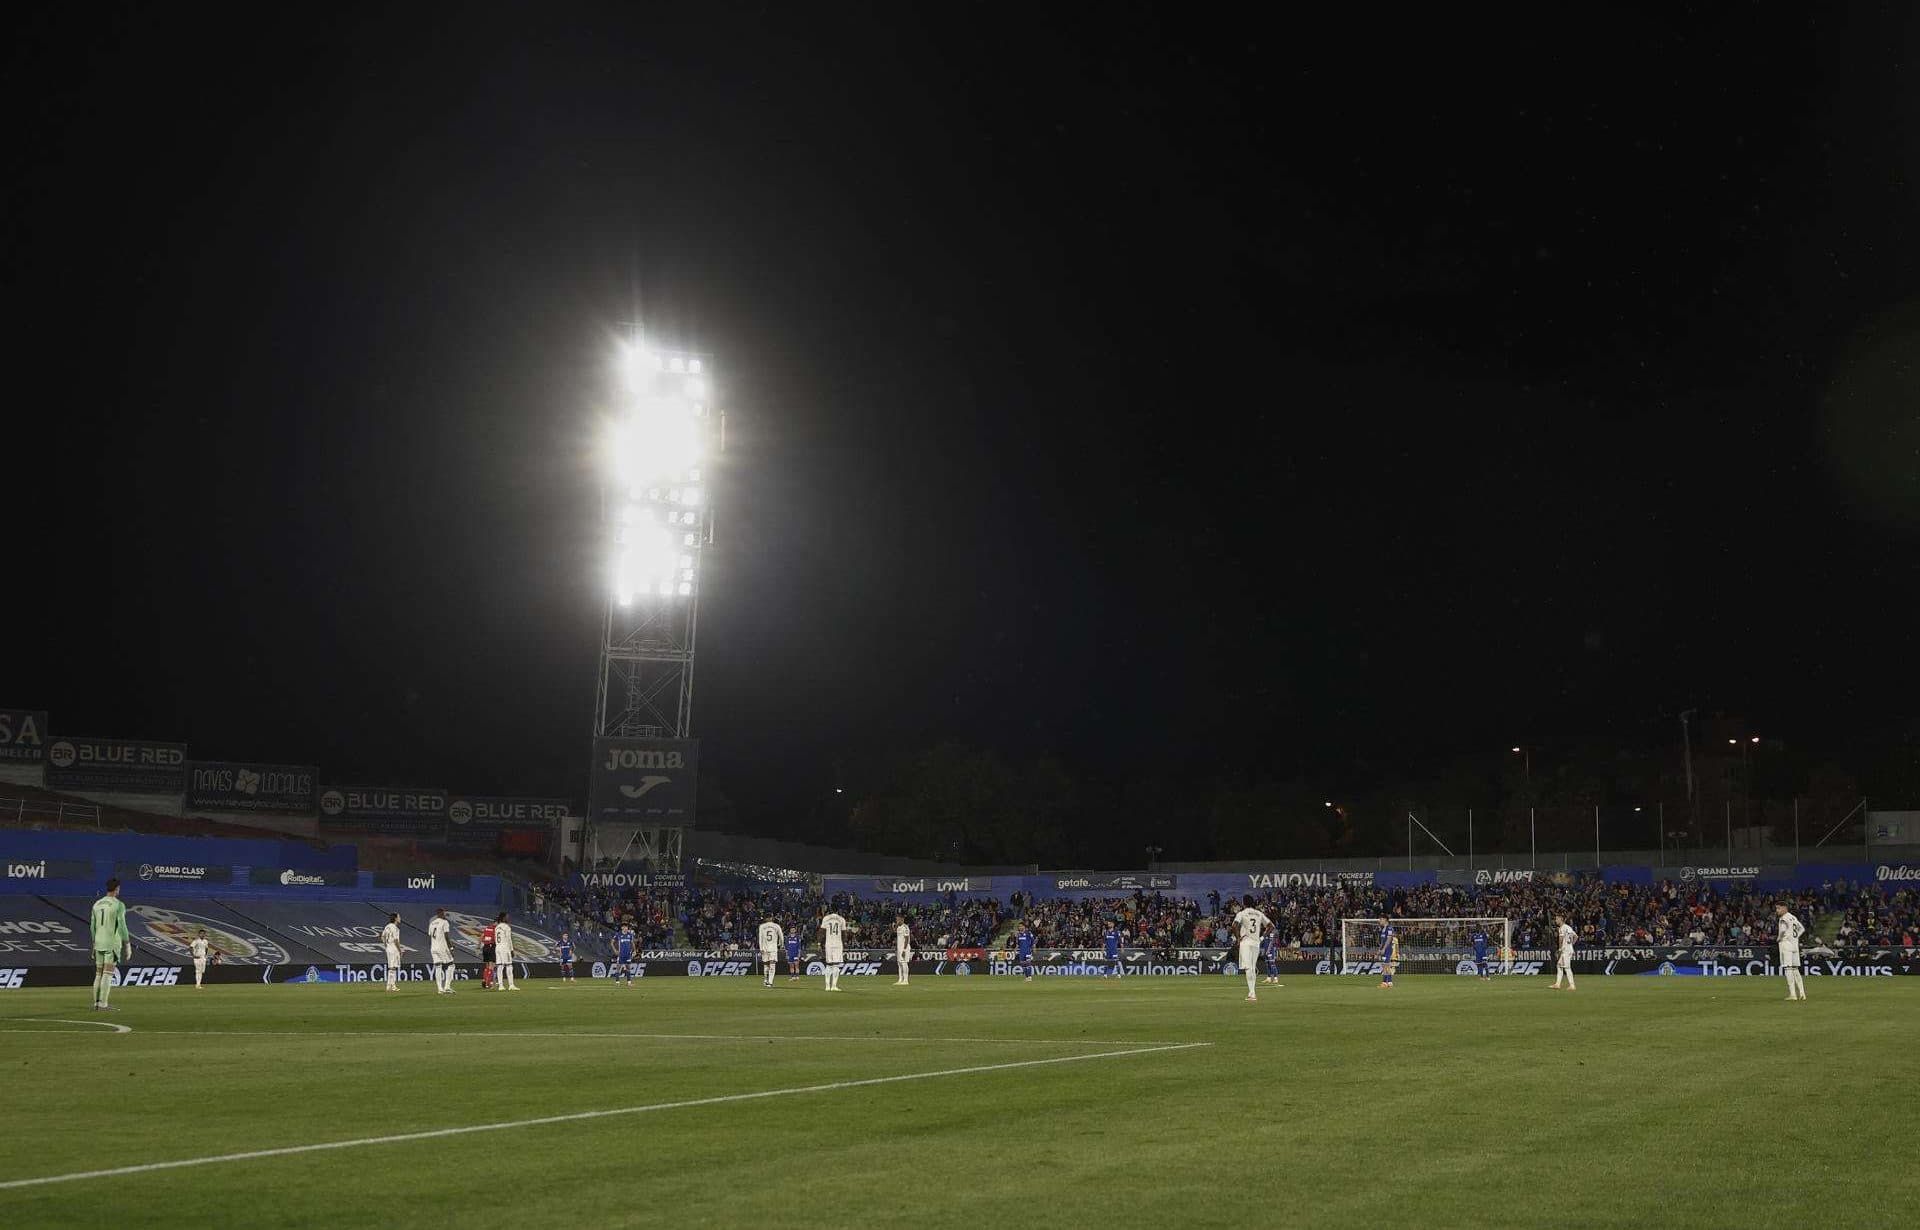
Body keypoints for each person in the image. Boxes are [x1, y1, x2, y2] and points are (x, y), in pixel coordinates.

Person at [90, 878, 130, 1012]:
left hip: (99, 942)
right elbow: (122, 926)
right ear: (117, 888)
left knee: (98, 974)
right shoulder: (119, 905)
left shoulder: (97, 904)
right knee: (107, 974)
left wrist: (93, 943)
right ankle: (103, 1004)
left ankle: (96, 1003)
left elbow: (92, 926)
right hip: (111, 943)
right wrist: (127, 943)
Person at [1234, 898, 1273, 1001]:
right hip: (1256, 943)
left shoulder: (1242, 913)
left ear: (1244, 903)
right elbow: (1271, 926)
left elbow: (1234, 926)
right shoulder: (1259, 913)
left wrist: (1238, 938)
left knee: (1248, 968)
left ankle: (1252, 993)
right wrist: (1262, 937)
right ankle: (1252, 992)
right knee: (1252, 967)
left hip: (1246, 942)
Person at [1775, 902, 1807, 1001]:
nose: (1777, 910)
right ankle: (1802, 993)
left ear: (1784, 908)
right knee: (1795, 969)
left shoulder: (1783, 918)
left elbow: (1782, 931)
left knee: (1788, 969)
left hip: (1786, 944)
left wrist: (1779, 938)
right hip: (1794, 945)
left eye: (1778, 908)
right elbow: (1802, 929)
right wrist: (1795, 937)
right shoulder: (1793, 917)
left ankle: (1793, 994)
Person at [820, 910, 850, 991]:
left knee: (829, 964)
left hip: (829, 943)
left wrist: (820, 943)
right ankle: (834, 986)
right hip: (838, 944)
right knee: (836, 965)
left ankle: (827, 986)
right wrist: (843, 943)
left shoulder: (826, 918)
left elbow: (822, 932)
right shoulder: (841, 919)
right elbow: (844, 933)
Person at [428, 908, 456, 994]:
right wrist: (451, 948)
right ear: (440, 913)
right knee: (451, 965)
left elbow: (430, 937)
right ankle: (447, 987)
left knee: (438, 967)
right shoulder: (444, 922)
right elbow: (446, 936)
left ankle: (440, 989)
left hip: (433, 948)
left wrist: (433, 947)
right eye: (444, 912)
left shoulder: (432, 923)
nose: (445, 914)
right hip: (442, 948)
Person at [1551, 914, 1577, 991]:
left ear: (1561, 919)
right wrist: (1571, 945)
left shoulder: (1562, 928)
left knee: (1567, 967)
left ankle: (1572, 985)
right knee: (1559, 965)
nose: (1556, 920)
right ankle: (1557, 984)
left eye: (1557, 919)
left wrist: (1559, 949)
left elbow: (1561, 939)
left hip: (1565, 950)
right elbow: (1576, 937)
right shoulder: (1569, 927)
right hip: (1568, 949)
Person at [759, 917, 786, 988]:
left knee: (766, 965)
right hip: (773, 948)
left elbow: (760, 937)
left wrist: (761, 947)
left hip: (764, 948)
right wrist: (781, 944)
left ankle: (766, 980)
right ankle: (770, 982)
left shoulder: (762, 926)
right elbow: (781, 936)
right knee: (772, 965)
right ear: (772, 918)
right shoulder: (776, 926)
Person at [380, 914, 405, 992]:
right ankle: (391, 986)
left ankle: (390, 986)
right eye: (399, 917)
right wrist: (400, 950)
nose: (400, 918)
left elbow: (382, 937)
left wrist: (386, 946)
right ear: (395, 919)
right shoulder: (395, 928)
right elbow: (396, 940)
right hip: (394, 949)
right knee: (393, 967)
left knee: (392, 967)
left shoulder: (387, 926)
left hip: (389, 948)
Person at [494, 913, 518, 991]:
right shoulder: (506, 927)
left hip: (498, 947)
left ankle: (500, 986)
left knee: (500, 966)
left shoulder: (497, 927)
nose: (508, 918)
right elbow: (509, 939)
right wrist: (511, 950)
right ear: (503, 918)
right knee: (509, 966)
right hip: (505, 948)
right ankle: (511, 985)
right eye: (507, 917)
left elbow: (495, 938)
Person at [1377, 917, 1399, 989]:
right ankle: (1387, 982)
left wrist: (1383, 949)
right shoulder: (1383, 929)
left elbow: (1389, 939)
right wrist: (1380, 949)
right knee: (1385, 966)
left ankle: (1386, 983)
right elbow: (1383, 941)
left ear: (1385, 920)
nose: (1379, 921)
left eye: (1381, 919)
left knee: (1386, 965)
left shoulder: (1389, 928)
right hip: (1384, 949)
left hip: (1387, 949)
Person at [614, 923, 637, 987]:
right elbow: (612, 942)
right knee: (618, 968)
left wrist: (635, 950)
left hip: (628, 954)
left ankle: (629, 983)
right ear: (622, 928)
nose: (625, 928)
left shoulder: (630, 935)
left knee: (628, 968)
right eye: (624, 927)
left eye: (626, 927)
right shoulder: (618, 934)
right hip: (621, 954)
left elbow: (632, 943)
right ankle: (617, 982)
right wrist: (615, 950)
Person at [894, 916, 913, 986]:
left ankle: (906, 980)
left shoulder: (905, 927)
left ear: (902, 920)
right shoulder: (898, 927)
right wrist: (897, 948)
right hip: (899, 948)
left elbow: (907, 939)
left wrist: (904, 950)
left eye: (897, 920)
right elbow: (894, 931)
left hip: (905, 948)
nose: (896, 921)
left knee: (904, 963)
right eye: (896, 920)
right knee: (899, 964)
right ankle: (900, 979)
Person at [481, 918, 497, 990]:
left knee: (487, 965)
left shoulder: (487, 928)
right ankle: (489, 983)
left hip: (485, 947)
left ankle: (484, 980)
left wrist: (478, 946)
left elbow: (482, 936)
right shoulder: (496, 929)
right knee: (492, 965)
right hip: (491, 947)